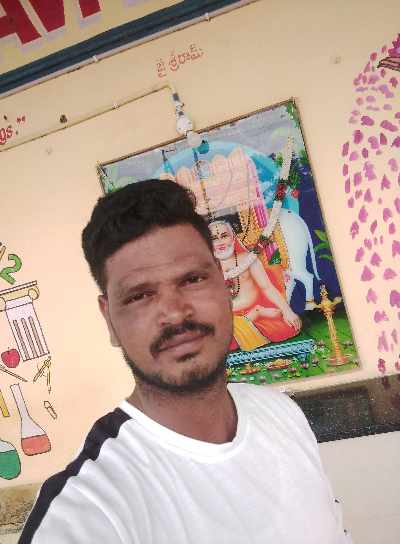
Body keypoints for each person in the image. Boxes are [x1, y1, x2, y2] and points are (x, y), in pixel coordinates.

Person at [20, 179, 350, 543]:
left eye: (192, 279)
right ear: (109, 319)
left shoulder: (282, 414)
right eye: (140, 296)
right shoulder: (90, 508)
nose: (175, 313)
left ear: (223, 283)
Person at [209, 219, 301, 352]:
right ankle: (254, 314)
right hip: (228, 319)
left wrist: (287, 311)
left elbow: (267, 288)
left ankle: (253, 317)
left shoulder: (248, 259)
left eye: (224, 236)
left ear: (233, 238)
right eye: (214, 238)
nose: (220, 242)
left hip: (258, 320)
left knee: (288, 327)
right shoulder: (206, 268)